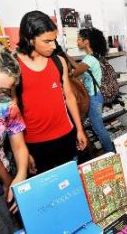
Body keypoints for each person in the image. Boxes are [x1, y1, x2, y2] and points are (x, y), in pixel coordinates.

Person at [15, 10, 87, 174]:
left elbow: (68, 96)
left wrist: (79, 129)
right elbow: (13, 113)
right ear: (29, 38)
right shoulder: (14, 67)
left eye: (54, 40)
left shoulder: (58, 61)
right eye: (47, 41)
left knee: (71, 185)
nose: (53, 46)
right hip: (35, 143)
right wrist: (23, 152)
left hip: (66, 137)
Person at [0, 42, 29, 233]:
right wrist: (8, 181)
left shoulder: (7, 105)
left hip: (4, 179)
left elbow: (18, 146)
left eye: (3, 91)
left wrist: (21, 175)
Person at [66, 28, 115, 153]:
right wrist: (66, 56)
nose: (77, 41)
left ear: (86, 41)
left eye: (79, 39)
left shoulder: (89, 59)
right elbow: (79, 67)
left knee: (98, 127)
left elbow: (75, 72)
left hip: (94, 97)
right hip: (98, 95)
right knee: (97, 126)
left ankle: (110, 152)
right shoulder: (95, 56)